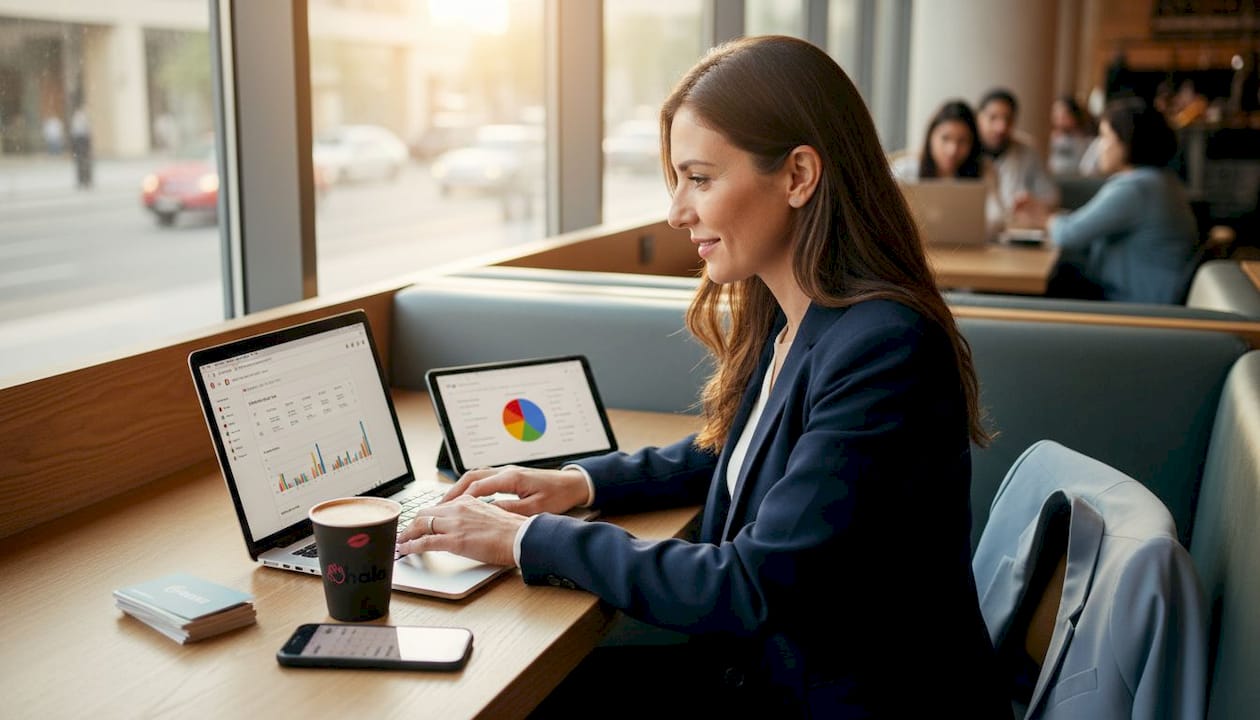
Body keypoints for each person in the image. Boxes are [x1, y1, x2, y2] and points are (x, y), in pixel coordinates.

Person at [397, 35, 1007, 717]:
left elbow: (749, 585)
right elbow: (743, 455)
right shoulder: (806, 321)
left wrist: (522, 538)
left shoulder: (884, 348)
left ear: (799, 176)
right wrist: (580, 482)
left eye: (701, 178)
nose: (675, 211)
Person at [1013, 97, 1197, 304]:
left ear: (1126, 142)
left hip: (1134, 303)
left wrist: (1043, 218)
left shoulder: (1135, 189)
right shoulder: (1161, 181)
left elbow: (1069, 234)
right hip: (1151, 294)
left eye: (1104, 137)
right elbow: (1084, 225)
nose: (1098, 146)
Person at [892, 99, 1005, 236]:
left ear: (973, 144)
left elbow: (998, 220)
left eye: (962, 141)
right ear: (930, 138)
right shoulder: (904, 170)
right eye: (945, 138)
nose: (952, 150)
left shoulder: (985, 170)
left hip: (969, 252)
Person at [975, 87, 1059, 219]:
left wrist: (1034, 203)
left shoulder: (1028, 151)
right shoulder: (966, 151)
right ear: (979, 118)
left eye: (1007, 120)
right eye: (993, 118)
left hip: (1015, 228)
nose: (1001, 127)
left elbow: (1051, 197)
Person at [1048, 95, 1098, 176]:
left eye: (1064, 114)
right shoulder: (1051, 139)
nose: (1059, 118)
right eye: (1056, 113)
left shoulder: (1086, 141)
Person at [70, 105, 93, 189]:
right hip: (81, 144)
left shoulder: (80, 120)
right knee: (82, 164)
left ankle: (85, 181)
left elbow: (87, 134)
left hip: (82, 144)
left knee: (84, 164)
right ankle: (83, 181)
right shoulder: (79, 120)